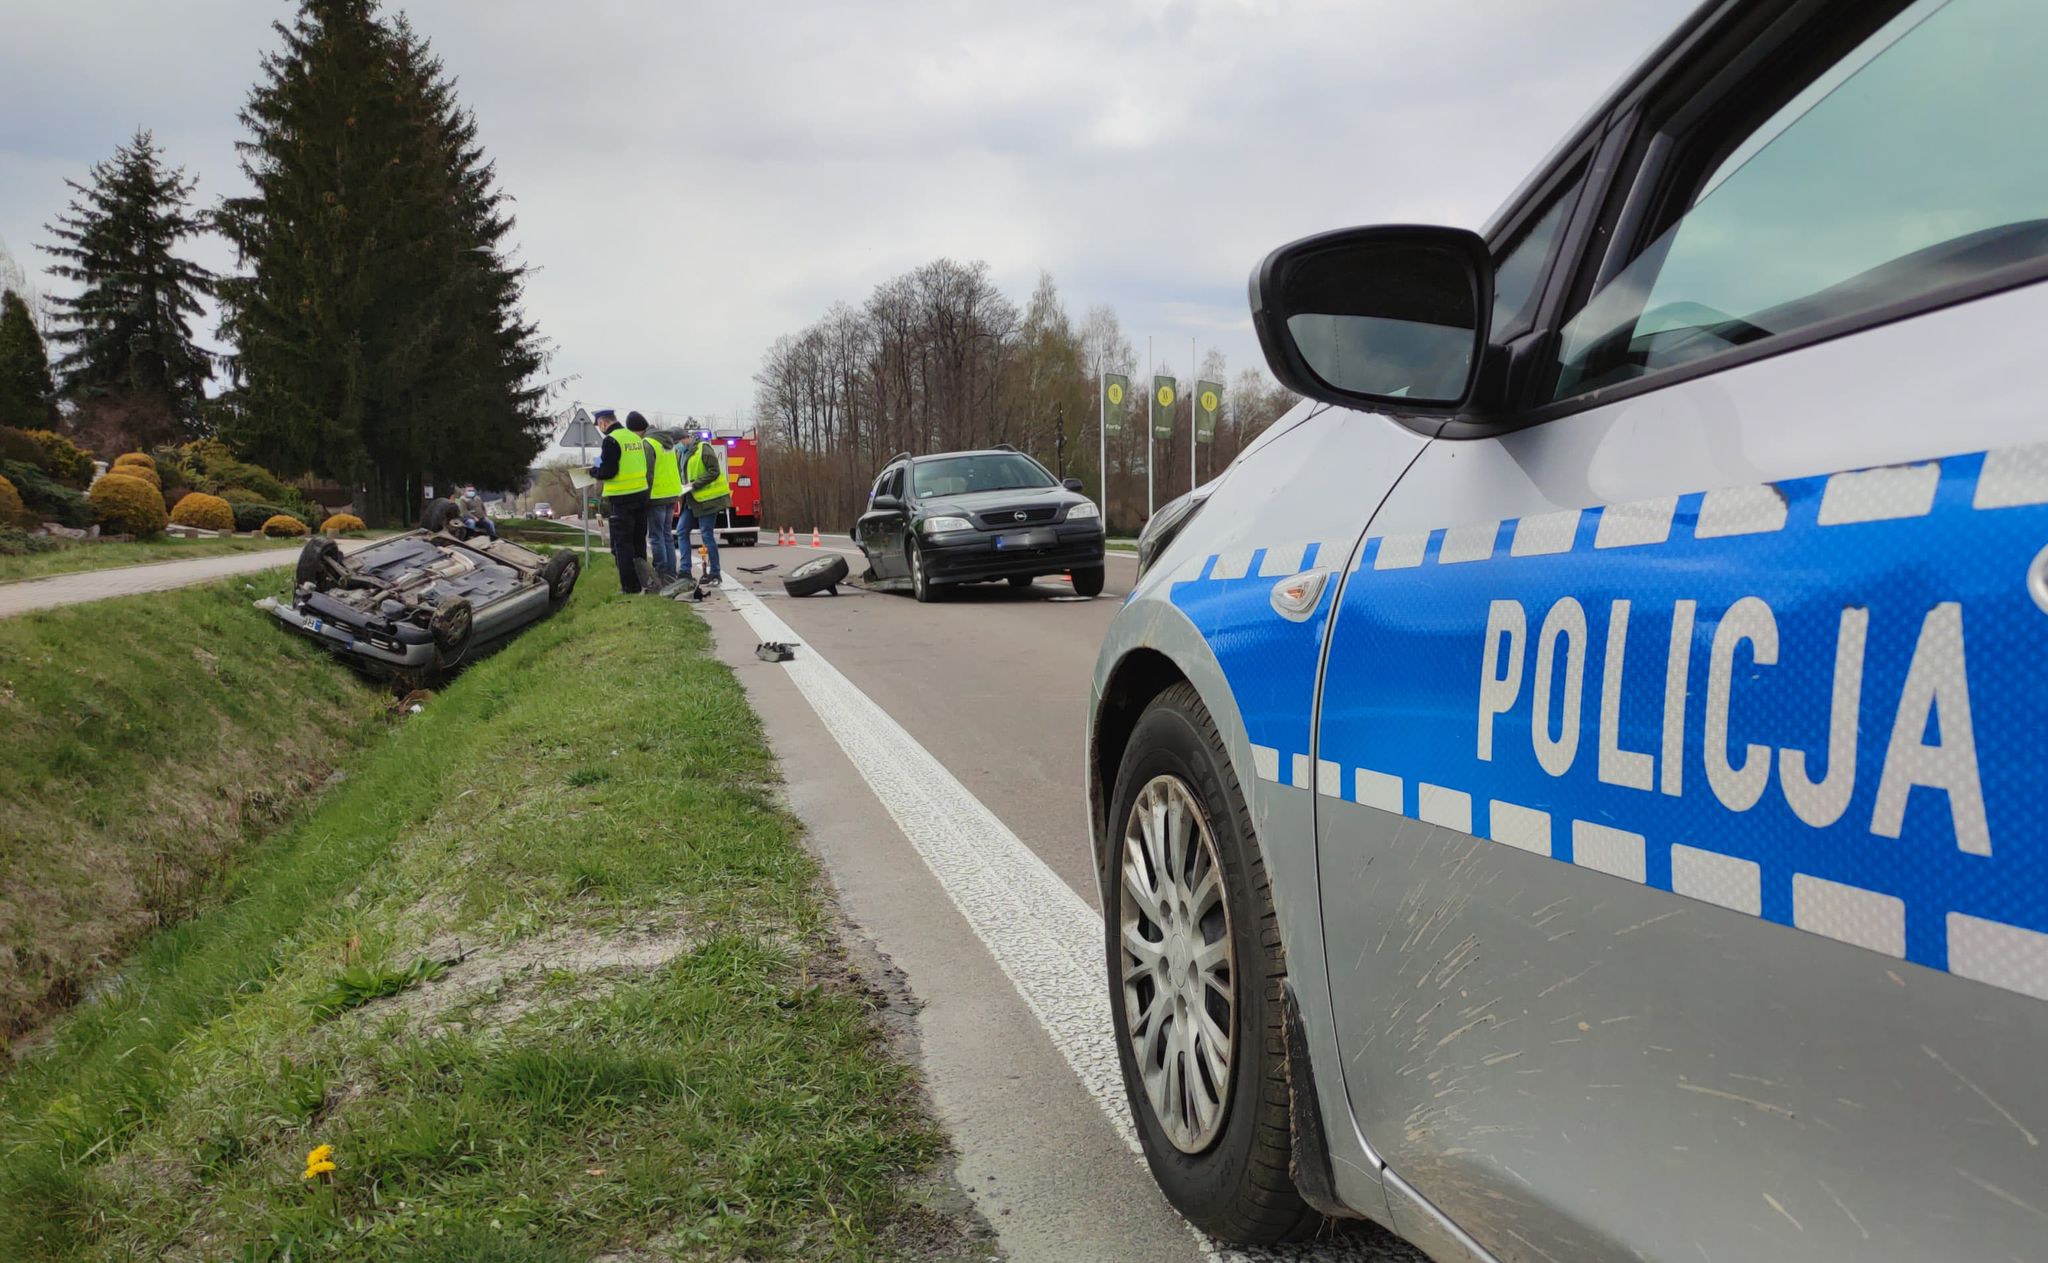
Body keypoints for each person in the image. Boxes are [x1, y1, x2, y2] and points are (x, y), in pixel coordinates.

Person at [589, 408, 651, 594]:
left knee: (622, 545)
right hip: (641, 495)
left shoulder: (611, 440)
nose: (600, 429)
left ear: (603, 423)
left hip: (622, 499)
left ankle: (630, 587)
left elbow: (609, 471)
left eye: (599, 425)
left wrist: (593, 472)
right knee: (639, 542)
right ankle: (645, 581)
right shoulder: (634, 438)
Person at [681, 432, 732, 586]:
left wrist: (694, 484)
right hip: (692, 500)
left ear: (686, 437)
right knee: (681, 531)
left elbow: (714, 471)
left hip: (709, 501)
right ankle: (684, 571)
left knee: (706, 535)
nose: (679, 445)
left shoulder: (703, 448)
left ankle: (715, 573)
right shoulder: (683, 453)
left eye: (679, 441)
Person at [636, 417, 682, 582]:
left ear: (637, 430)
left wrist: (644, 497)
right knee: (667, 535)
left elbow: (648, 473)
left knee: (656, 537)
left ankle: (661, 574)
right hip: (671, 495)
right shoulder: (666, 442)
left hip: (656, 496)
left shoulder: (648, 443)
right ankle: (671, 573)